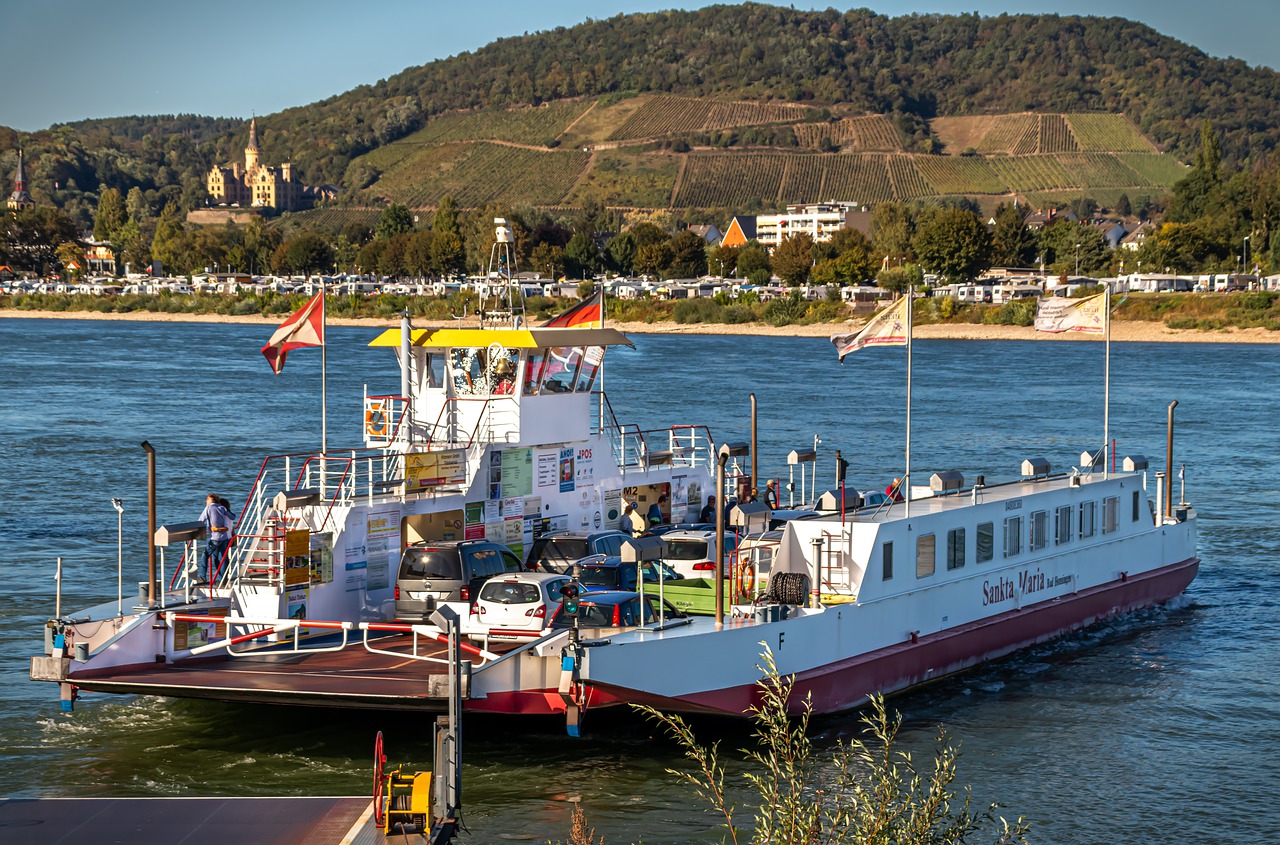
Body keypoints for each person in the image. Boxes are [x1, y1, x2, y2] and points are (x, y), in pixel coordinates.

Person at [198, 493, 236, 581]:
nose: (206, 501)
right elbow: (233, 517)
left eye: (207, 499)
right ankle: (222, 578)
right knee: (221, 558)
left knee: (205, 555)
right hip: (225, 537)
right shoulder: (222, 508)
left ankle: (202, 576)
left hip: (215, 537)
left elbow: (200, 520)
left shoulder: (208, 508)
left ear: (211, 500)